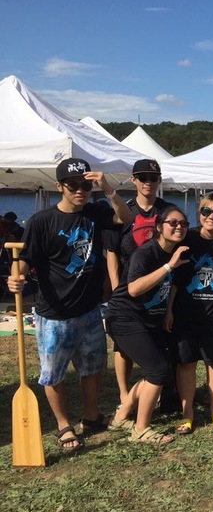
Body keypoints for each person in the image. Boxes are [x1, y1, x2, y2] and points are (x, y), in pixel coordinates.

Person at [7, 158, 132, 453]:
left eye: (85, 185)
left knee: (92, 368)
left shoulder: (96, 212)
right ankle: (64, 425)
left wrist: (108, 189)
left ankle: (90, 416)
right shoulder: (42, 221)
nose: (80, 190)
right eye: (73, 185)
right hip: (54, 314)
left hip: (89, 311)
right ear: (59, 187)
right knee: (54, 374)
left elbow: (126, 218)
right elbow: (27, 258)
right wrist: (18, 278)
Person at [105, 207, 191, 444]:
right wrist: (168, 266)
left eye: (183, 223)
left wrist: (168, 310)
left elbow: (171, 286)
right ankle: (140, 429)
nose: (178, 227)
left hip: (150, 318)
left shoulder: (175, 251)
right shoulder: (146, 253)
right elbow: (133, 289)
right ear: (159, 227)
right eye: (172, 222)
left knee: (158, 370)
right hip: (125, 317)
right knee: (158, 371)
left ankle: (121, 415)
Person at [166, 192, 213, 433]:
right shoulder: (186, 240)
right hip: (185, 313)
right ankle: (187, 414)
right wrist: (168, 311)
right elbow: (175, 281)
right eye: (206, 211)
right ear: (199, 213)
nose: (211, 217)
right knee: (186, 363)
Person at [104, 159, 173, 413]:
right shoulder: (122, 209)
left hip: (158, 290)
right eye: (142, 177)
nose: (148, 182)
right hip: (126, 290)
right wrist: (114, 292)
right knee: (123, 348)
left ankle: (152, 389)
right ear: (133, 180)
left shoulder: (167, 210)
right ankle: (124, 393)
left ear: (159, 181)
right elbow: (111, 252)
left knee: (155, 341)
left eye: (153, 178)